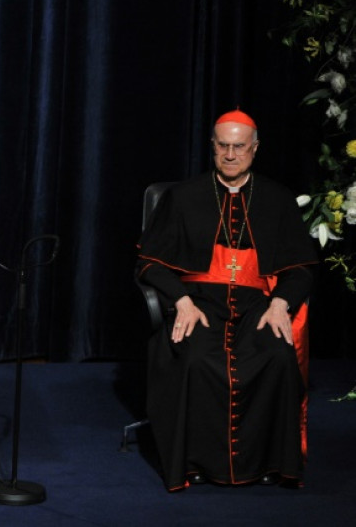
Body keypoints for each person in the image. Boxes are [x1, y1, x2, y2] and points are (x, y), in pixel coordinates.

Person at [136, 109, 319, 491]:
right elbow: (150, 264)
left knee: (276, 355)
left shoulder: (277, 198)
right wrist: (181, 301)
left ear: (255, 148)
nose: (231, 155)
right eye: (223, 146)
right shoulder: (182, 197)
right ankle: (193, 463)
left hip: (258, 305)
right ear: (212, 147)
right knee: (195, 358)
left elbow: (301, 268)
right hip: (199, 301)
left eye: (239, 146)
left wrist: (280, 303)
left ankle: (271, 463)